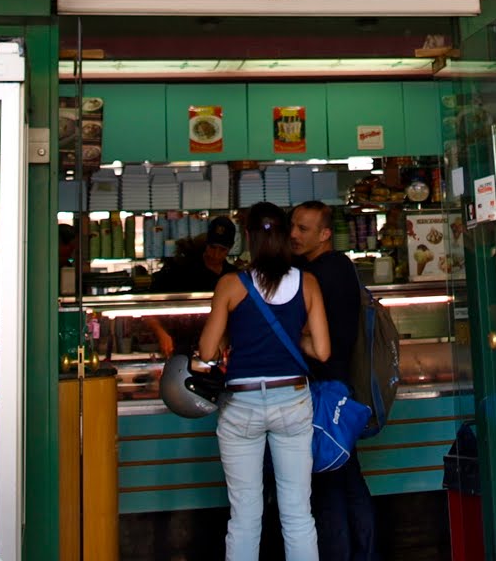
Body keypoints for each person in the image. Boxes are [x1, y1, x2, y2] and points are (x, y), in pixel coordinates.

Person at [197, 202, 330, 561]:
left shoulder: (230, 284)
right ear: (286, 236)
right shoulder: (307, 283)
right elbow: (322, 350)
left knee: (244, 517)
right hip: (292, 400)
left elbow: (207, 350)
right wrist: (291, 336)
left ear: (248, 237)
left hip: (242, 404)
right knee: (298, 514)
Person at [290, 200, 376, 561]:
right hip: (340, 385)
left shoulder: (318, 274)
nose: (293, 235)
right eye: (292, 226)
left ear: (325, 233)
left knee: (328, 485)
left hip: (324, 389)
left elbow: (309, 334)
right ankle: (366, 554)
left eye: (303, 229)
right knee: (348, 478)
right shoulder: (339, 266)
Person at [147, 216, 238, 357]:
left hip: (219, 350)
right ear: (206, 243)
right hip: (180, 349)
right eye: (212, 247)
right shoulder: (180, 270)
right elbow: (149, 304)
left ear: (230, 248)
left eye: (222, 250)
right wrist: (161, 333)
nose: (215, 254)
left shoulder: (233, 277)